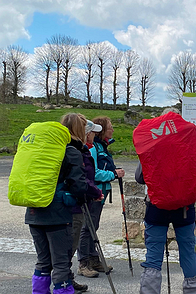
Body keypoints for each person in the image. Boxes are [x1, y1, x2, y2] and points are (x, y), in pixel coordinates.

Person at [135, 108, 196, 294]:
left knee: (154, 253)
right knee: (188, 250)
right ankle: (193, 289)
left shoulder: (152, 141)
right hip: (184, 205)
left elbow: (140, 177)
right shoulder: (187, 136)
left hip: (157, 204)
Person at [25, 113, 88, 294]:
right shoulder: (70, 151)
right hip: (58, 214)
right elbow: (78, 185)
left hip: (34, 211)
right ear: (79, 130)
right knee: (61, 262)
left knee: (43, 261)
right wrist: (84, 196)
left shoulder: (44, 150)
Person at [77, 116, 125, 277]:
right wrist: (113, 174)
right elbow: (94, 173)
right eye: (110, 126)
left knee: (93, 227)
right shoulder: (93, 148)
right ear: (102, 129)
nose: (112, 129)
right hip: (93, 192)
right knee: (87, 227)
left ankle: (93, 259)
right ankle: (83, 263)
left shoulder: (101, 147)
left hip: (100, 192)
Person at [69, 120, 104, 290]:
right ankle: (67, 282)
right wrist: (95, 192)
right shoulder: (79, 151)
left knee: (86, 231)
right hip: (77, 202)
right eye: (91, 132)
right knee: (78, 236)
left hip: (83, 198)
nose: (94, 135)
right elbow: (82, 178)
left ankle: (66, 281)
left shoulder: (84, 149)